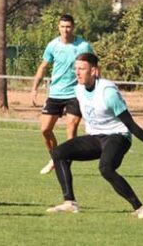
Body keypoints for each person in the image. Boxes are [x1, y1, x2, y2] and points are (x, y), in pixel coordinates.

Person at [47, 53, 143, 219]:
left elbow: (130, 124)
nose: (77, 72)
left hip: (118, 136)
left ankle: (140, 208)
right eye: (75, 69)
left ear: (93, 71)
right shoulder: (78, 90)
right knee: (58, 153)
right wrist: (58, 157)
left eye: (82, 69)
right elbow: (75, 118)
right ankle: (70, 203)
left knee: (106, 168)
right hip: (95, 137)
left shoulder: (107, 92)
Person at [31, 14, 93, 174]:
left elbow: (94, 67)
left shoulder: (83, 46)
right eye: (62, 27)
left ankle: (64, 163)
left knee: (71, 127)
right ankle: (55, 157)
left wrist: (95, 88)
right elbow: (43, 66)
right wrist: (34, 88)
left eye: (68, 27)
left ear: (73, 27)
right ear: (58, 27)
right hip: (56, 93)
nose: (65, 30)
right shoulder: (52, 45)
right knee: (45, 129)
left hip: (75, 93)